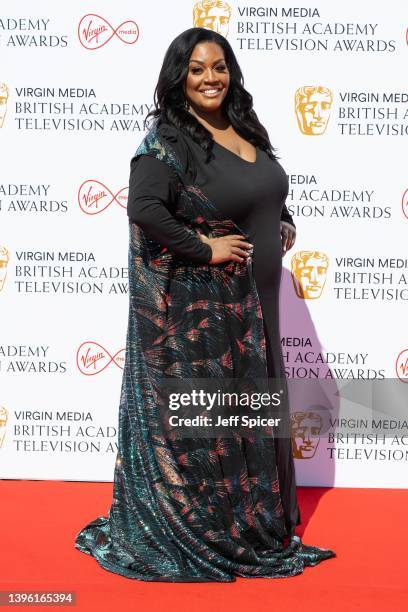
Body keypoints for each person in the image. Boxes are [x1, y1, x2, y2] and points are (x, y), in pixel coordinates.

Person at [74, 27, 336, 582]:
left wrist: (282, 223)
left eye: (218, 67)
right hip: (205, 312)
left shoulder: (244, 127)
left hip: (255, 304)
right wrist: (204, 248)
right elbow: (146, 210)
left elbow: (264, 192)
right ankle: (210, 527)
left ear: (231, 72)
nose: (210, 78)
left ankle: (252, 521)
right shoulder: (166, 141)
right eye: (197, 69)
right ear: (179, 77)